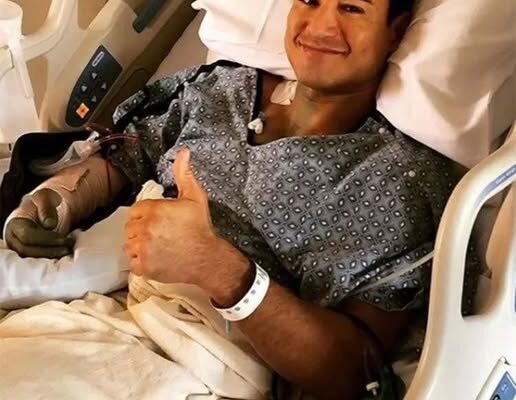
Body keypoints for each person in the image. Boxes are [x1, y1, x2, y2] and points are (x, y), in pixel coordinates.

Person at [3, 0, 478, 399]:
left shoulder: (397, 177)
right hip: (85, 304)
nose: (321, 26)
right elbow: (132, 150)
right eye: (310, 0)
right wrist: (58, 199)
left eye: (352, 8)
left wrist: (220, 270)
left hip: (188, 358)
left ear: (395, 30)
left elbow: (357, 373)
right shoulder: (223, 87)